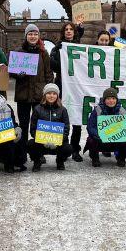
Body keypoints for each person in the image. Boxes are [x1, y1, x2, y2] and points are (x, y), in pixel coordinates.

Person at [10, 24, 54, 167]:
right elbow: (11, 72)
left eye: (35, 34)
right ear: (26, 36)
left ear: (38, 36)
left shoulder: (43, 53)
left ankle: (38, 154)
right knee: (23, 125)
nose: (33, 36)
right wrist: (18, 74)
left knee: (39, 126)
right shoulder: (19, 51)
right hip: (23, 95)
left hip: (38, 95)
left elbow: (49, 74)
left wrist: (47, 91)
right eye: (30, 34)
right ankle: (22, 155)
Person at [49, 21, 84, 162]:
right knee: (61, 117)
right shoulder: (57, 48)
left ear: (74, 32)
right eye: (66, 30)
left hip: (77, 86)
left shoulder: (80, 47)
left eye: (71, 29)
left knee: (77, 118)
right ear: (63, 32)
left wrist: (81, 28)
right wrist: (58, 52)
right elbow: (54, 66)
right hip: (62, 85)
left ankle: (75, 149)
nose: (69, 31)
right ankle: (62, 147)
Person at [26, 84, 73, 171]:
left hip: (58, 143)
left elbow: (66, 129)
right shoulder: (37, 109)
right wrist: (42, 140)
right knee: (30, 144)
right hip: (41, 142)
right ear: (44, 95)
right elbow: (33, 129)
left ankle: (60, 161)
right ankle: (37, 161)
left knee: (68, 148)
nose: (51, 96)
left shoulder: (63, 110)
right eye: (49, 93)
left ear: (57, 96)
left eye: (54, 94)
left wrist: (58, 140)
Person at [85, 87, 126, 167]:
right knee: (91, 139)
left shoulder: (122, 110)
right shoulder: (97, 110)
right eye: (108, 98)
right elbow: (91, 127)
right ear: (104, 100)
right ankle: (95, 158)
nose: (111, 101)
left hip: (117, 140)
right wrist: (99, 135)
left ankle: (121, 158)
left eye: (113, 98)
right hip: (101, 140)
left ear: (116, 99)